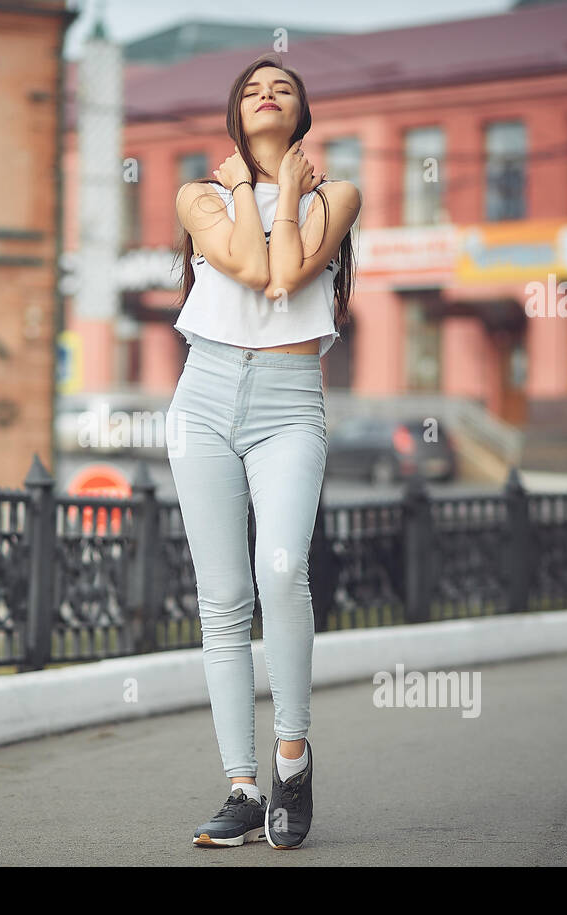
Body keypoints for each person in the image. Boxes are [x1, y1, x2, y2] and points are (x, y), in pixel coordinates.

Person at [169, 54, 360, 849]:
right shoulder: (197, 195)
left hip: (289, 401)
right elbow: (248, 267)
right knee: (223, 602)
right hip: (203, 396)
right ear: (233, 115)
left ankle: (291, 753)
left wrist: (276, 190)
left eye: (281, 86)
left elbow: (284, 275)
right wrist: (249, 188)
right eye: (251, 88)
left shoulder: (336, 196)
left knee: (281, 568)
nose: (266, 94)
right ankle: (242, 789)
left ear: (303, 109)